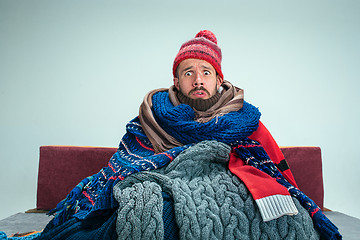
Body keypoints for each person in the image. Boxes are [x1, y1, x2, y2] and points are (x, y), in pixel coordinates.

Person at [32, 30, 341, 240]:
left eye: (206, 72)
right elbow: (125, 164)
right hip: (165, 183)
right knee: (140, 209)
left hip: (230, 190)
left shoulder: (245, 121)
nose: (197, 79)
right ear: (176, 81)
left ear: (219, 80)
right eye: (188, 72)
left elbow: (272, 169)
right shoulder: (152, 118)